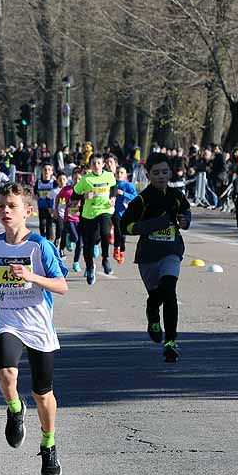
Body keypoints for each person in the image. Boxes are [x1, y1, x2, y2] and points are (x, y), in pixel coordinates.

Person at [0, 183, 68, 475]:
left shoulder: (39, 246)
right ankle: (15, 409)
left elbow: (62, 286)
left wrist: (31, 276)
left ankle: (48, 443)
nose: (4, 210)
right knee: (6, 373)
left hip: (38, 324)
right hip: (7, 320)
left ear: (28, 211)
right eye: (1, 204)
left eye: (11, 206)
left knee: (43, 394)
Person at [121, 152, 192, 363]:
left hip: (171, 251)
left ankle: (170, 341)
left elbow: (187, 213)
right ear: (148, 174)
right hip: (149, 256)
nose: (161, 176)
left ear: (170, 172)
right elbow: (125, 225)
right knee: (156, 296)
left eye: (164, 172)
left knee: (169, 290)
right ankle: (152, 312)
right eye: (156, 173)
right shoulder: (142, 200)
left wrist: (184, 221)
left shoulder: (177, 196)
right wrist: (150, 226)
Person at [73, 154, 116, 283]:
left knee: (105, 232)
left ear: (103, 164)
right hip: (89, 214)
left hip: (105, 210)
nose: (96, 166)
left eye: (98, 163)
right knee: (88, 244)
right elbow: (74, 198)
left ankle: (105, 259)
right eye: (93, 164)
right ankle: (90, 267)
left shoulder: (108, 176)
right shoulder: (86, 180)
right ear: (90, 165)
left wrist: (113, 198)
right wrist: (84, 196)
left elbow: (113, 187)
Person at [112, 165, 139, 259]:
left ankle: (122, 249)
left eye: (121, 173)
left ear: (125, 175)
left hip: (125, 212)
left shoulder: (128, 185)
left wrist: (124, 194)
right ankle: (116, 248)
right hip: (114, 211)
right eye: (117, 172)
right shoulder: (112, 184)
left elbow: (135, 197)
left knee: (122, 233)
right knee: (117, 229)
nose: (119, 174)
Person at [35, 163, 59, 245]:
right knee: (42, 225)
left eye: (49, 170)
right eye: (45, 169)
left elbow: (58, 191)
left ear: (52, 172)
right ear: (42, 171)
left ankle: (48, 241)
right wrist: (35, 196)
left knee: (49, 225)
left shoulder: (54, 182)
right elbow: (35, 192)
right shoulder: (38, 182)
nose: (46, 171)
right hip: (41, 206)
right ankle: (43, 239)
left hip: (50, 207)